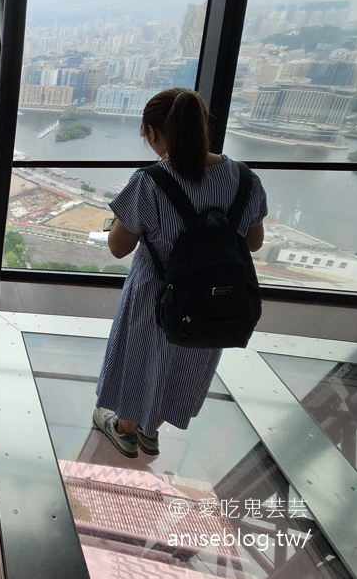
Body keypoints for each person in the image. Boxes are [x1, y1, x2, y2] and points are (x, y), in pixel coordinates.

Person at [94, 88, 268, 457]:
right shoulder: (245, 179)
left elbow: (118, 246)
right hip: (217, 299)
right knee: (186, 358)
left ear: (152, 132)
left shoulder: (151, 182)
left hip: (155, 294)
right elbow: (253, 242)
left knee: (142, 357)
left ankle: (125, 428)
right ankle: (151, 430)